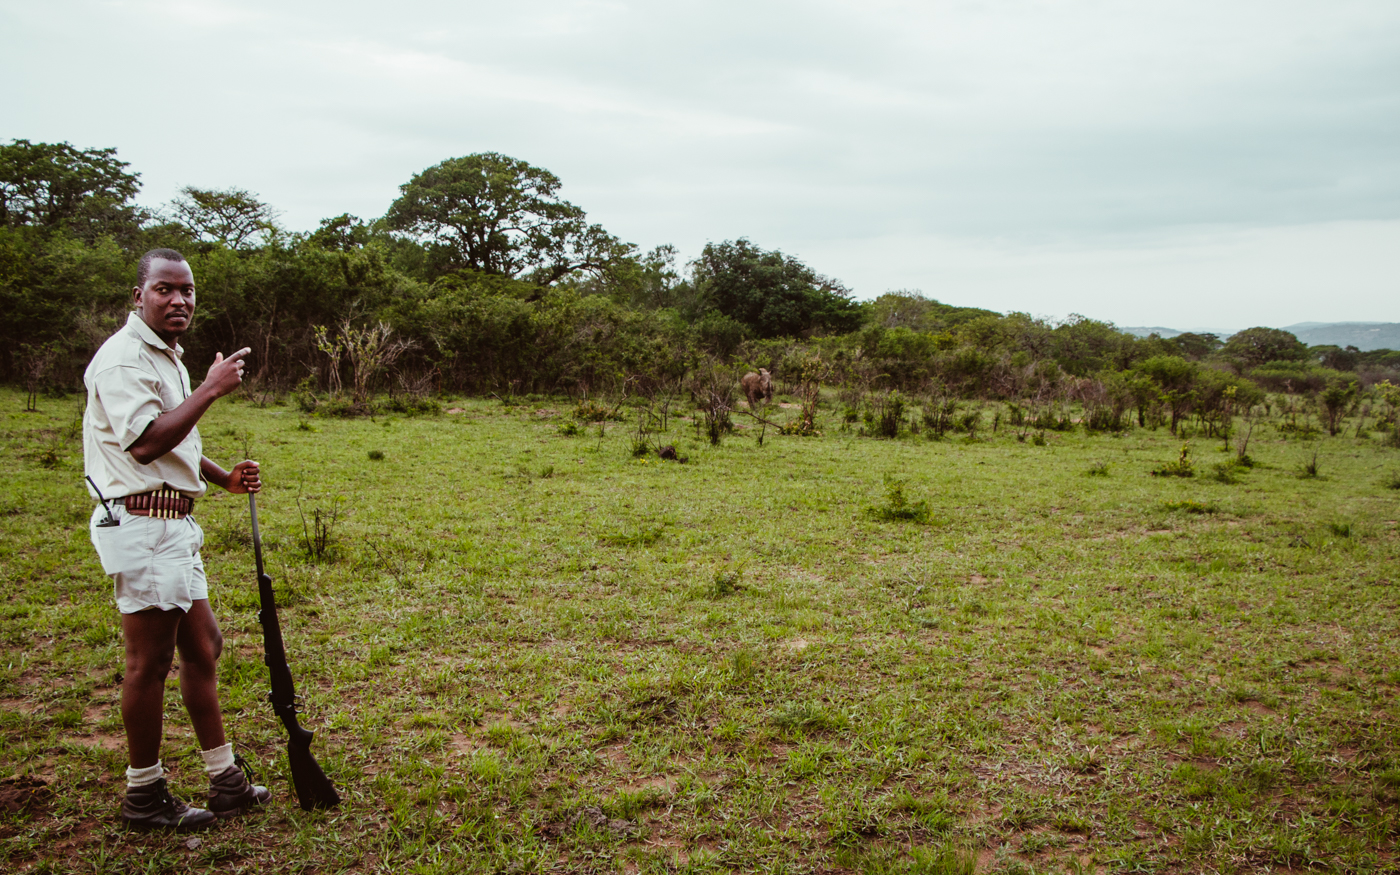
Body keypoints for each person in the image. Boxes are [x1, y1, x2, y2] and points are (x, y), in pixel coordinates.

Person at [83, 248, 271, 831]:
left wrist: (221, 478)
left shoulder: (166, 357)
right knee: (149, 661)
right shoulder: (122, 361)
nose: (179, 300)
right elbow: (143, 443)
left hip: (172, 521)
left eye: (187, 290)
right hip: (142, 524)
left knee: (204, 645)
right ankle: (145, 793)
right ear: (137, 295)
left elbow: (177, 440)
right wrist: (211, 389)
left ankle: (225, 779)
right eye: (165, 289)